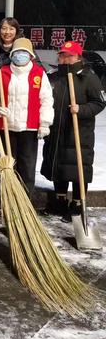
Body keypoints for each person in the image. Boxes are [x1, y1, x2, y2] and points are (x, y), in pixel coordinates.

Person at [41, 41, 106, 220]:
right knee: (59, 165)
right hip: (58, 130)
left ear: (78, 56)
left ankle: (77, 204)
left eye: (70, 55)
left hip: (78, 131)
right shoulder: (55, 76)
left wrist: (81, 109)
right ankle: (60, 202)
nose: (65, 58)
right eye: (62, 55)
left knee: (78, 167)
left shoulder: (88, 77)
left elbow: (100, 102)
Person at [0, 37, 54, 197]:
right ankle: (5, 199)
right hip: (6, 127)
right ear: (12, 54)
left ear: (30, 55)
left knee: (27, 167)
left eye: (24, 52)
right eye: (17, 52)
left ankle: (26, 199)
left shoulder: (39, 74)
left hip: (29, 128)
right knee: (7, 166)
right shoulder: (2, 72)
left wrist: (45, 123)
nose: (20, 55)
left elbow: (47, 99)